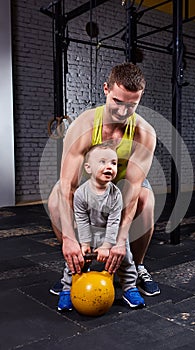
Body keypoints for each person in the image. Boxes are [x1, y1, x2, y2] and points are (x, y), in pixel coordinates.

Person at [48, 62, 160, 308]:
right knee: (56, 195)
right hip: (91, 182)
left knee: (146, 199)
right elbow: (68, 186)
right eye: (118, 102)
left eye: (132, 105)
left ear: (140, 99)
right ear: (106, 89)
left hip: (123, 186)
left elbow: (131, 190)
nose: (123, 111)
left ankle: (137, 266)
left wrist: (120, 239)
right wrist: (69, 238)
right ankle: (75, 264)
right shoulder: (84, 126)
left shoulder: (144, 133)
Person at [58, 142, 145, 311]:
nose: (109, 167)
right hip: (89, 232)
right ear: (88, 168)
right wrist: (84, 244)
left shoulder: (115, 194)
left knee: (126, 259)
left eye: (113, 163)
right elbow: (81, 219)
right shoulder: (81, 193)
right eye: (103, 162)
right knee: (75, 261)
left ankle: (129, 288)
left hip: (110, 233)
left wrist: (107, 245)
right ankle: (68, 289)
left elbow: (114, 221)